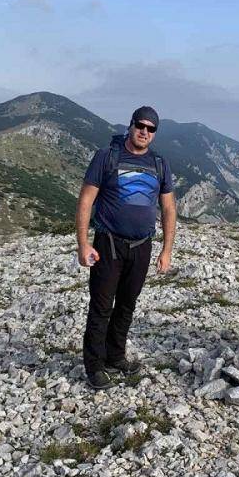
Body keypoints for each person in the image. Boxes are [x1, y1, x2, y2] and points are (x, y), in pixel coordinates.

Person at [76, 106, 176, 390]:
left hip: (142, 246)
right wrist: (83, 244)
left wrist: (166, 250)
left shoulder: (159, 164)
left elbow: (169, 208)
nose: (144, 132)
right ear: (131, 126)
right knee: (101, 307)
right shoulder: (107, 157)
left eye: (151, 128)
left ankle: (115, 356)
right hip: (108, 244)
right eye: (140, 126)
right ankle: (94, 366)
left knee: (127, 305)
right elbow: (85, 200)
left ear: (154, 133)